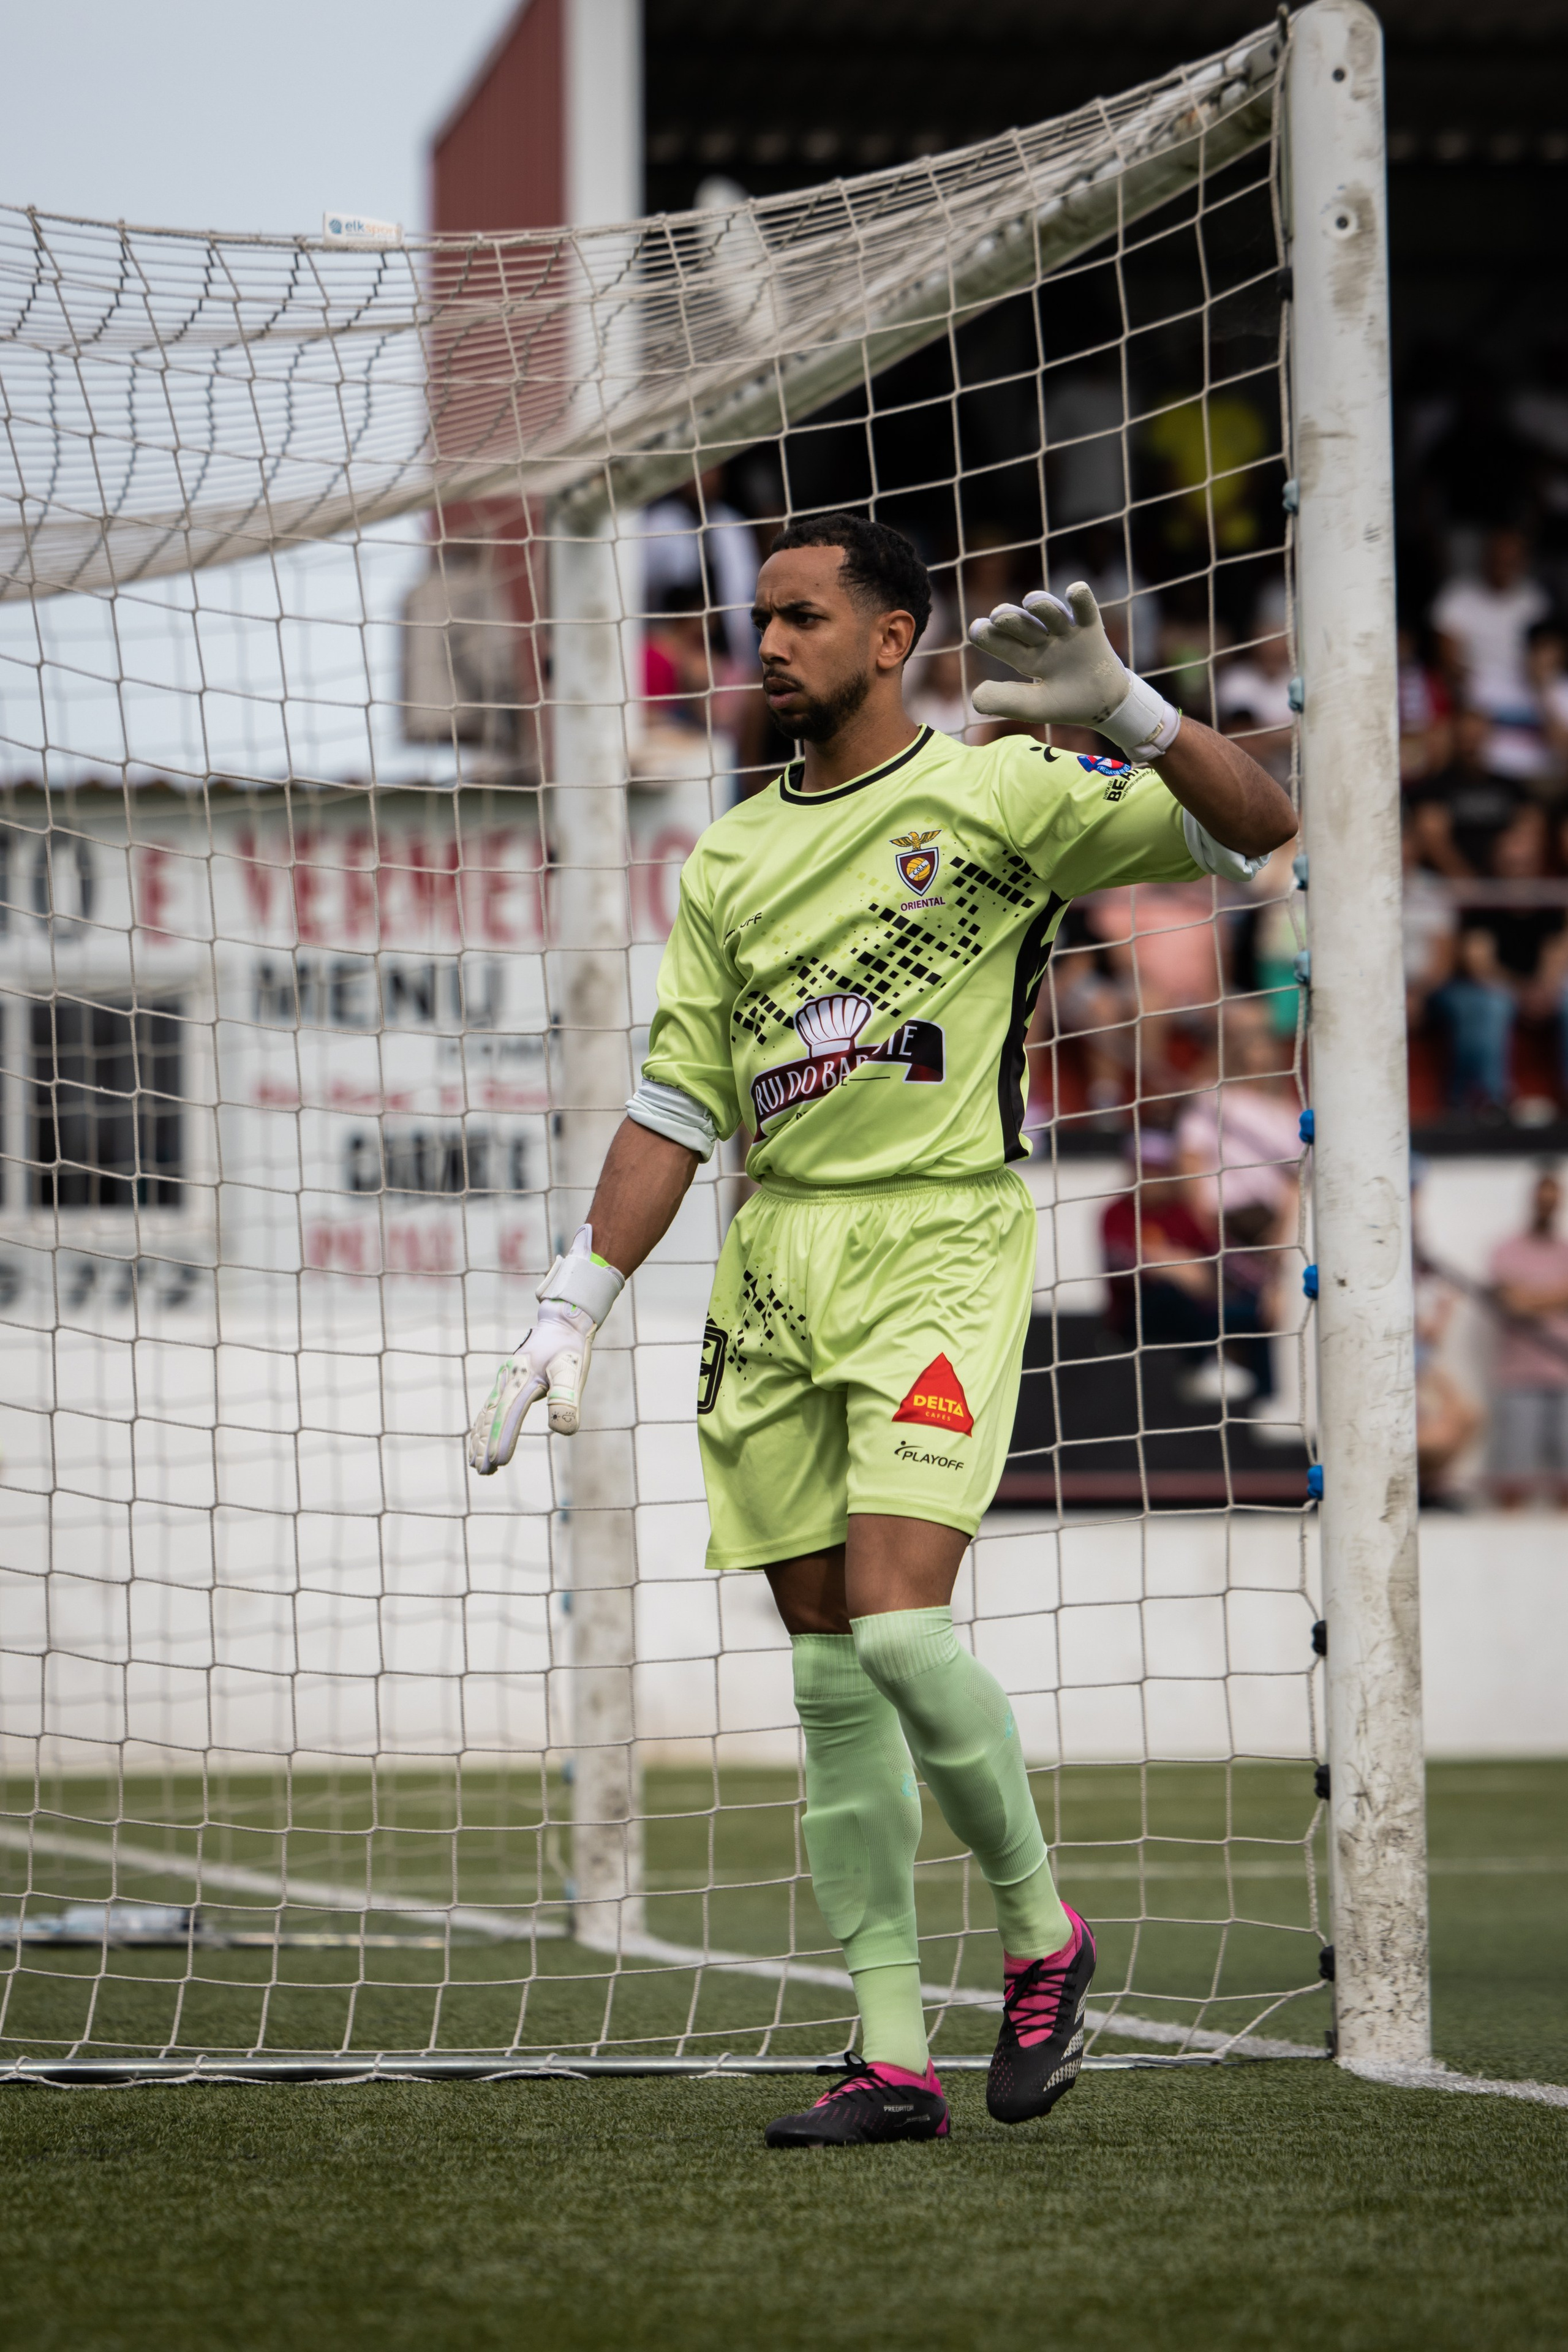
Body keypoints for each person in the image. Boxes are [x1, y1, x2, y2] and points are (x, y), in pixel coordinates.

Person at [466, 513, 1297, 2147]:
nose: (766, 642)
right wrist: (572, 1303)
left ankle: (1044, 1934)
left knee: (905, 1632)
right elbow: (676, 1105)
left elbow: (1256, 829)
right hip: (776, 1268)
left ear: (892, 637)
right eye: (760, 618)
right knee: (831, 1673)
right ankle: (893, 2054)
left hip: (938, 1243)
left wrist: (1129, 711)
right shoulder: (730, 856)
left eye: (800, 617)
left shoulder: (999, 791)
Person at [1173, 999, 1302, 1404]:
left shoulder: (1288, 1112)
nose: (1258, 1057)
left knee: (1270, 1310)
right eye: (1249, 1046)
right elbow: (1191, 1160)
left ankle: (1269, 1393)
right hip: (1224, 1221)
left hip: (1272, 1226)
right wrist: (1204, 1219)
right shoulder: (1215, 1100)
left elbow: (1296, 1181)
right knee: (1224, 1304)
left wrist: (1282, 1234)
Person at [1431, 529, 1552, 784]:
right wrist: (1467, 690)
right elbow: (1448, 660)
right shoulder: (1459, 596)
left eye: (1512, 560)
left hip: (1526, 686)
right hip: (1477, 690)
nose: (1503, 565)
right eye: (1498, 558)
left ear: (1523, 562)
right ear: (1485, 558)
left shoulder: (1534, 600)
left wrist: (1538, 681)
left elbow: (1545, 652)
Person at [1485, 1166, 1568, 1506]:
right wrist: (1556, 1297)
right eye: (1542, 1199)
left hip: (1562, 1372)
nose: (1547, 1205)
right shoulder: (1507, 1249)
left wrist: (1529, 1297)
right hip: (1519, 1374)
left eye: (1553, 1199)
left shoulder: (1564, 1251)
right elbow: (1510, 1302)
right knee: (1513, 1478)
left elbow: (1522, 1299)